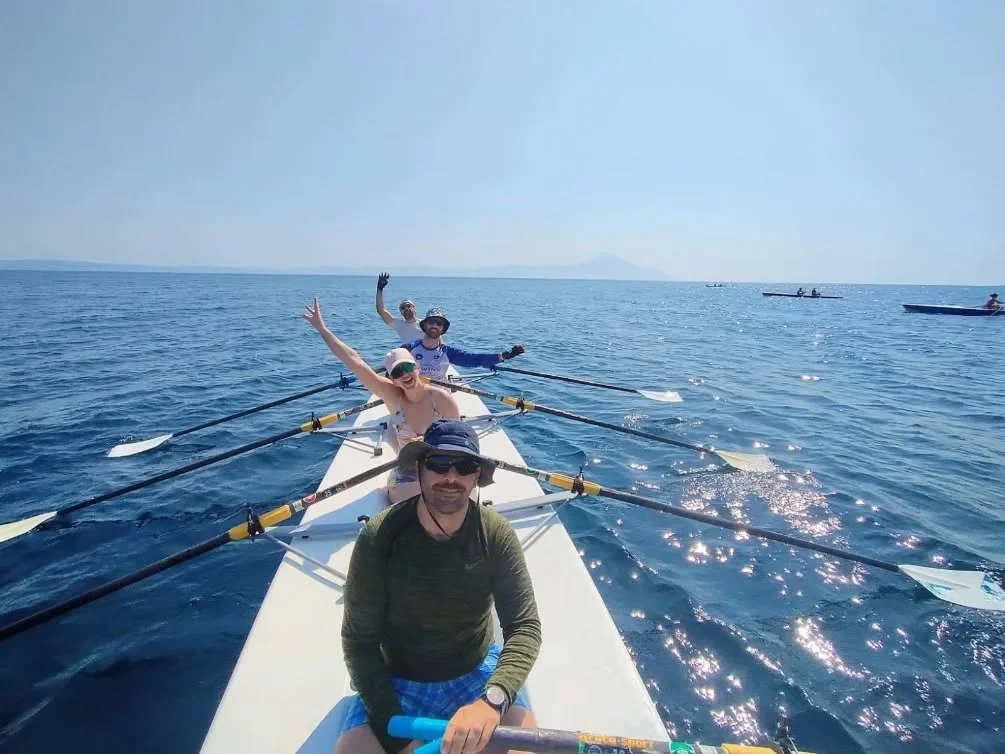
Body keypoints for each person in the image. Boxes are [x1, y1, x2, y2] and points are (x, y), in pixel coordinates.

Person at [335, 419, 541, 754]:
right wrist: (399, 737)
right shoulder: (379, 536)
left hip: (478, 673)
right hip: (397, 681)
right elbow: (359, 642)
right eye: (439, 464)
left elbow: (524, 627)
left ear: (476, 477)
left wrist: (492, 700)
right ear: (419, 469)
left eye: (464, 466)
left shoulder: (496, 534)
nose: (451, 477)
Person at [302, 297, 461, 503]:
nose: (404, 375)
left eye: (407, 367)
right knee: (409, 502)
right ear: (392, 379)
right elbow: (355, 361)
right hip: (408, 471)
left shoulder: (441, 399)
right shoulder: (391, 395)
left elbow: (458, 444)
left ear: (417, 367)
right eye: (396, 372)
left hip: (442, 467)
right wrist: (323, 330)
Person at [405, 308, 525, 381]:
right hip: (414, 392)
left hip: (439, 394)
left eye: (439, 323)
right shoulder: (408, 349)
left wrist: (504, 356)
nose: (435, 326)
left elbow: (474, 359)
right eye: (431, 322)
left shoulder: (448, 352)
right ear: (424, 325)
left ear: (443, 329)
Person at [376, 273, 423, 343]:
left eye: (408, 306)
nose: (406, 308)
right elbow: (381, 311)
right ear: (401, 312)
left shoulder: (425, 323)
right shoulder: (399, 324)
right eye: (403, 307)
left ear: (414, 308)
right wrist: (380, 289)